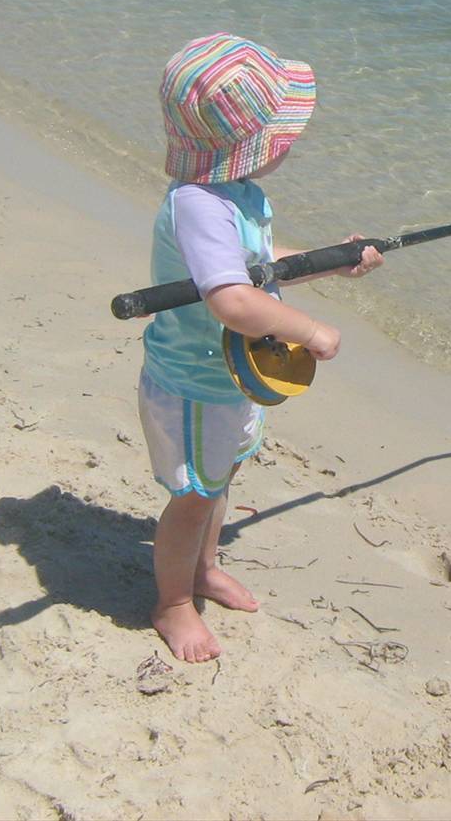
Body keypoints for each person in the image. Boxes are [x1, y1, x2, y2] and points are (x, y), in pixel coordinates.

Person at [137, 32, 382, 662]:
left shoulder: (235, 191)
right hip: (193, 383)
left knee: (220, 481)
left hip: (228, 377)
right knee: (193, 498)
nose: (290, 143)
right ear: (248, 146)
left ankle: (203, 570)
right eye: (280, 135)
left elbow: (258, 266)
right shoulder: (198, 205)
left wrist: (332, 260)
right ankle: (172, 603)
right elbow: (233, 301)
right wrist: (309, 330)